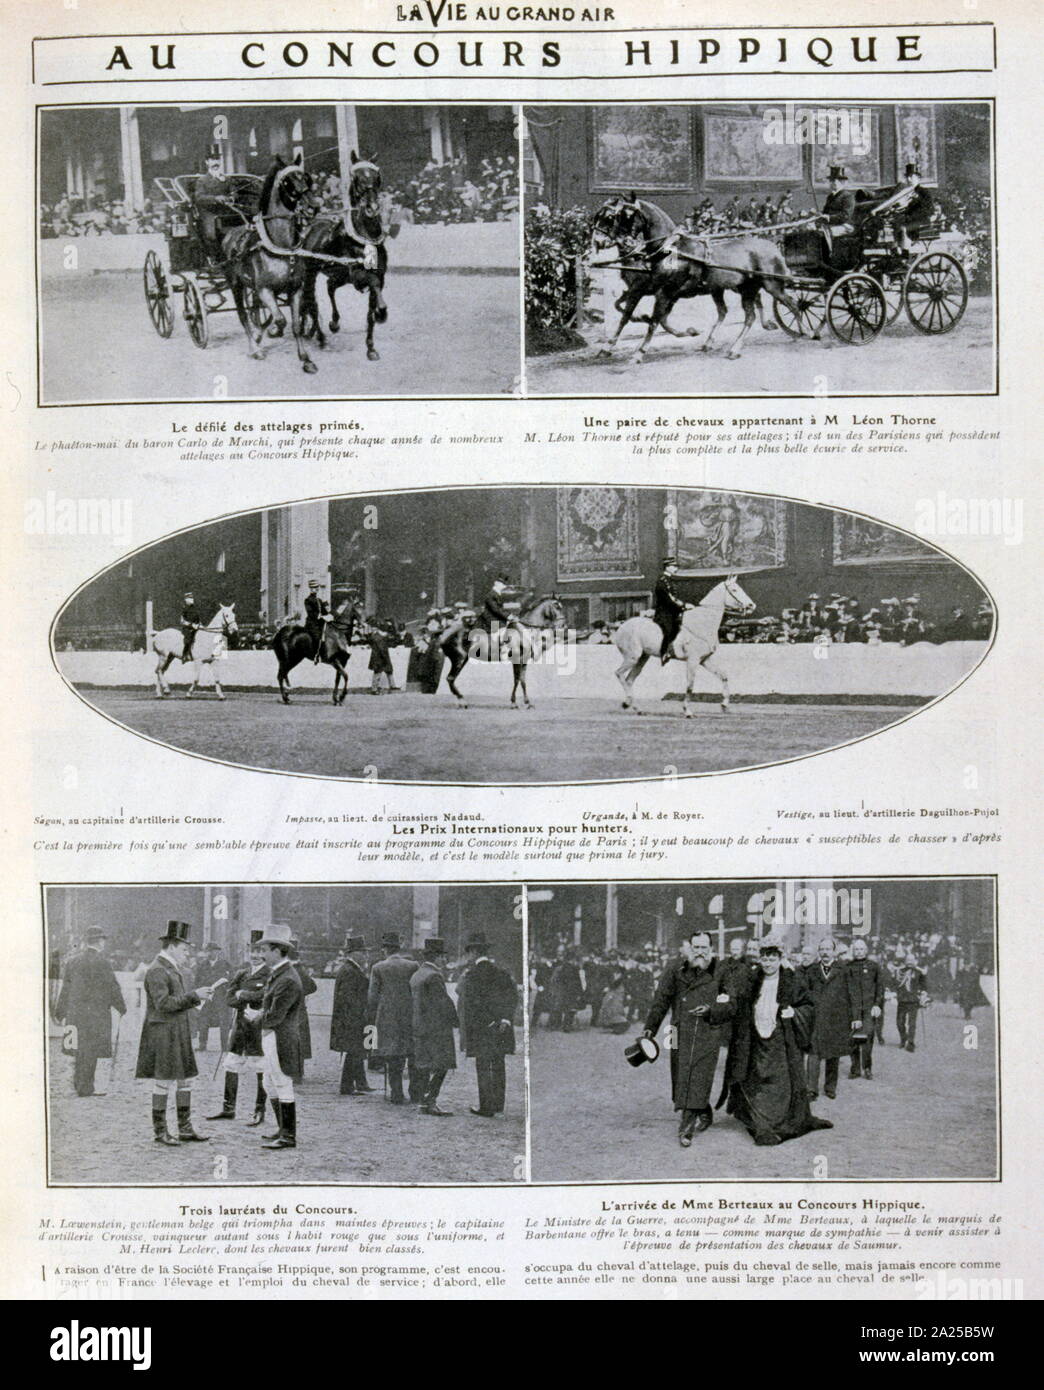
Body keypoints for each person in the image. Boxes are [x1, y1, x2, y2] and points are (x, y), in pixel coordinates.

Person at [723, 941, 833, 1146]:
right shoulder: (752, 979)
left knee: (781, 1081)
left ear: (780, 959)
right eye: (764, 958)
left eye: (772, 959)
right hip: (756, 1039)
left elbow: (809, 1005)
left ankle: (782, 1121)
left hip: (781, 1039)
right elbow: (739, 1000)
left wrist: (795, 1013)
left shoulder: (792, 980)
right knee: (756, 1080)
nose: (768, 963)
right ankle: (762, 1125)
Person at [642, 930, 737, 1147]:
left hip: (708, 1032)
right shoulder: (676, 970)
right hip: (677, 1032)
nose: (700, 953)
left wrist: (712, 1010)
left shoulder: (722, 971)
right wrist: (650, 1029)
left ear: (711, 949)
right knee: (681, 1077)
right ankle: (703, 1111)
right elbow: (661, 1000)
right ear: (689, 949)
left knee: (697, 1078)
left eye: (704, 948)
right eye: (696, 948)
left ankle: (686, 1129)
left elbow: (732, 1004)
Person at [134, 920, 215, 1146]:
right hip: (163, 1033)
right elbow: (163, 1004)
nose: (187, 953)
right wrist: (194, 996)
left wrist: (196, 998)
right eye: (184, 949)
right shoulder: (157, 969)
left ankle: (185, 1128)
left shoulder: (170, 968)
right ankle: (160, 1131)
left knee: (185, 1079)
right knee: (164, 1081)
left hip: (176, 1031)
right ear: (171, 946)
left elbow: (175, 1002)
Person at [244, 924, 304, 1150]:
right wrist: (261, 1015)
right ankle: (282, 1129)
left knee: (282, 1083)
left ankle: (289, 1136)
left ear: (278, 951)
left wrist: (255, 1016)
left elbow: (276, 1016)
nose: (261, 954)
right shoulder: (279, 974)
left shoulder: (287, 978)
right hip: (272, 1037)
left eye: (265, 950)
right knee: (269, 1083)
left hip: (281, 1038)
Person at [54, 926, 126, 1097]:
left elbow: (66, 989)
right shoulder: (104, 963)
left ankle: (80, 1083)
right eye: (103, 940)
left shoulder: (72, 962)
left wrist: (60, 1011)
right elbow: (113, 988)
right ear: (100, 942)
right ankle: (86, 1087)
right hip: (97, 1016)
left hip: (77, 1014)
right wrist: (121, 1007)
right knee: (91, 1050)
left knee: (80, 1049)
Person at [207, 930, 269, 1124]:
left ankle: (260, 1110)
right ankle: (228, 1108)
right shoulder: (242, 973)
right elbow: (228, 998)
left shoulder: (271, 974)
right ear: (248, 950)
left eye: (260, 951)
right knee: (231, 1064)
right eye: (253, 950)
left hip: (259, 1027)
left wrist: (244, 995)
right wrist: (242, 998)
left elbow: (267, 996)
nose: (256, 955)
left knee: (261, 1068)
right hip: (241, 1026)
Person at [456, 933, 517, 1117]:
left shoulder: (472, 975)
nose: (468, 956)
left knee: (483, 1065)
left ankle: (486, 1106)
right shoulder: (501, 972)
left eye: (469, 952)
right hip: (502, 1027)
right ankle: (498, 1104)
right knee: (498, 1063)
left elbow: (472, 1005)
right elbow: (512, 997)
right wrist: (504, 1019)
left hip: (482, 1029)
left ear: (474, 952)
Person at [367, 932, 420, 1104]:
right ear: (399, 947)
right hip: (409, 1015)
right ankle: (416, 1092)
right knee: (411, 1054)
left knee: (393, 1056)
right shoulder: (413, 965)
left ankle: (396, 1093)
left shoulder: (378, 968)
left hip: (387, 1018)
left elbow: (372, 997)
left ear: (385, 949)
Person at [410, 938, 459, 1116]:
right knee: (441, 1065)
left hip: (419, 1026)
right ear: (436, 957)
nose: (445, 961)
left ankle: (423, 1101)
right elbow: (443, 1003)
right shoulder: (434, 976)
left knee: (424, 1065)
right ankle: (430, 1101)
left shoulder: (417, 974)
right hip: (435, 1029)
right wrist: (456, 1021)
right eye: (443, 957)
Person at [804, 936, 850, 1099]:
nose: (824, 952)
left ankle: (830, 1087)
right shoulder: (811, 971)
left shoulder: (843, 970)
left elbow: (850, 994)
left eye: (828, 949)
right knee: (813, 1053)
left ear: (834, 952)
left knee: (833, 1054)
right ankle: (811, 1089)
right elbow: (805, 992)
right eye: (822, 949)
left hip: (836, 1019)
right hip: (816, 1019)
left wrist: (852, 1017)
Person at [330, 935, 373, 1096]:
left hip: (352, 1018)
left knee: (358, 1050)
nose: (365, 956)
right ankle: (347, 1086)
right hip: (352, 1019)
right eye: (362, 953)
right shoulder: (350, 971)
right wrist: (357, 1017)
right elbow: (347, 998)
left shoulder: (351, 969)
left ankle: (361, 1083)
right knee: (353, 1051)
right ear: (353, 953)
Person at [845, 937, 884, 1080]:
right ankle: (855, 1069)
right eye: (856, 949)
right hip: (852, 1008)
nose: (859, 952)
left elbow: (880, 987)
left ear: (866, 951)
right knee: (852, 1039)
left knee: (867, 1038)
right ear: (853, 951)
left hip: (868, 1008)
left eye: (861, 949)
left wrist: (877, 1004)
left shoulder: (874, 966)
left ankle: (867, 1068)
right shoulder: (848, 967)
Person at [192, 148, 232, 257]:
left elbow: (233, 192)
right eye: (212, 159)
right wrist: (215, 198)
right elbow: (199, 198)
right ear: (207, 162)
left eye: (217, 159)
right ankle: (214, 258)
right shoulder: (202, 180)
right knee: (211, 235)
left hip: (226, 211)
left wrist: (231, 198)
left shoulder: (227, 179)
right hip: (209, 212)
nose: (216, 162)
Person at [194, 941, 231, 1052]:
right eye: (208, 951)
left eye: (213, 951)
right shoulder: (202, 965)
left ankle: (225, 1046)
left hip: (221, 997)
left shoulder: (225, 964)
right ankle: (202, 1044)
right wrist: (202, 992)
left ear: (217, 952)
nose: (210, 953)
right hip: (206, 997)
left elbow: (232, 979)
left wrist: (226, 990)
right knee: (203, 1020)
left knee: (224, 1021)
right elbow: (197, 981)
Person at [653, 558, 686, 664]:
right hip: (664, 612)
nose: (675, 568)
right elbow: (667, 599)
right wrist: (680, 607)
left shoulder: (670, 580)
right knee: (668, 629)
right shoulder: (662, 581)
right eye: (674, 566)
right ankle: (663, 653)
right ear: (667, 567)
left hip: (672, 611)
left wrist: (683, 605)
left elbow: (674, 598)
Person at [895, 956, 927, 1052]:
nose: (910, 962)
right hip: (902, 1000)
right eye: (908, 960)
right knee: (899, 1022)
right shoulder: (900, 971)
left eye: (912, 960)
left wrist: (923, 994)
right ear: (905, 961)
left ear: (915, 961)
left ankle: (911, 1042)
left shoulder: (919, 972)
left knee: (912, 1023)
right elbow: (895, 983)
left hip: (913, 1001)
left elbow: (924, 985)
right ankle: (903, 1038)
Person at [304, 579, 331, 663]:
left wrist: (327, 611)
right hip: (312, 623)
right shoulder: (307, 600)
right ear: (310, 589)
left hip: (320, 623)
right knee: (316, 637)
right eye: (313, 588)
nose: (315, 589)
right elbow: (310, 613)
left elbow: (324, 611)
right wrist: (320, 617)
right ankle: (316, 655)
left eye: (316, 587)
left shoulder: (319, 600)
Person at [180, 592, 201, 664]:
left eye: (192, 598)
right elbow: (182, 621)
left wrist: (199, 625)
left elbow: (198, 619)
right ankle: (185, 655)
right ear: (186, 599)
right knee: (188, 639)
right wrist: (191, 625)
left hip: (196, 628)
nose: (192, 600)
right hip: (187, 629)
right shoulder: (184, 609)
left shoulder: (195, 609)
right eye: (190, 598)